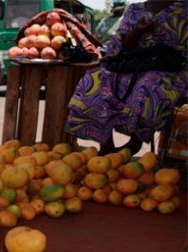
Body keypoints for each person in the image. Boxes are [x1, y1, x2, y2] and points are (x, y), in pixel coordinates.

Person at [65, 0, 187, 154]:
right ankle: (106, 145)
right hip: (135, 64)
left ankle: (134, 143)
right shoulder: (135, 10)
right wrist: (138, 31)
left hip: (171, 68)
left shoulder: (184, 10)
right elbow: (118, 47)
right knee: (95, 79)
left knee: (149, 85)